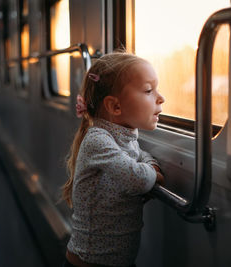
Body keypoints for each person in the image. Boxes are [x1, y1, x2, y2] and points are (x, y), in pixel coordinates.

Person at [62, 51, 165, 267]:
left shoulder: (125, 136)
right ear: (115, 106)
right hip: (90, 263)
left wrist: (149, 164)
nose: (160, 98)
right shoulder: (98, 139)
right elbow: (137, 179)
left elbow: (141, 156)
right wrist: (152, 171)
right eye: (148, 90)